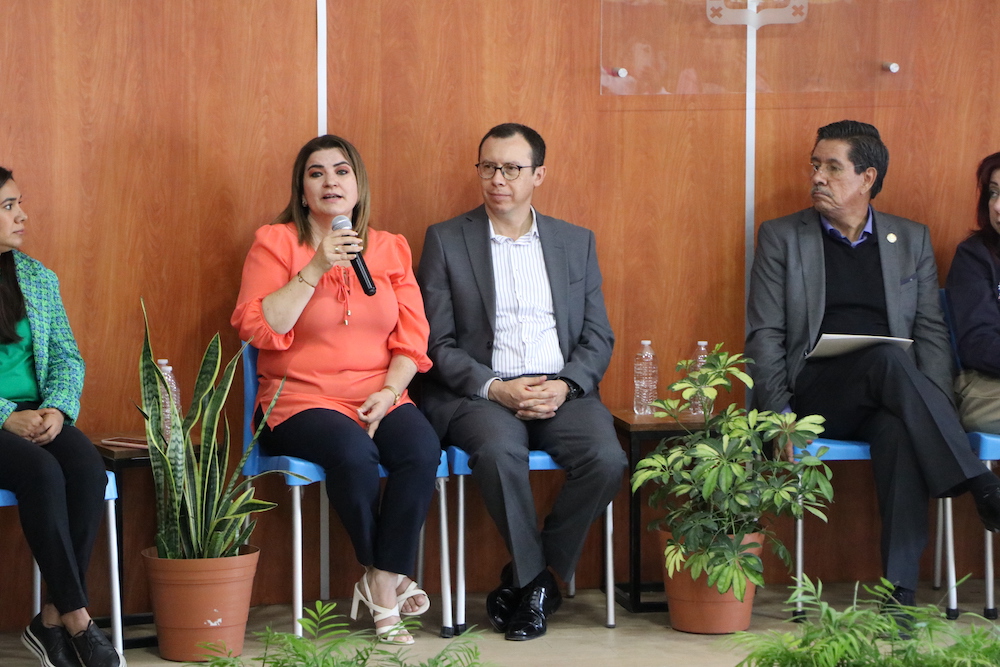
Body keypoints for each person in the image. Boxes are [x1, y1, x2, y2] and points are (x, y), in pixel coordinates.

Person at [745, 120, 1000, 606]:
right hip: (816, 393)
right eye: (815, 166)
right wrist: (780, 419)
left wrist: (937, 410)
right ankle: (981, 482)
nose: (817, 177)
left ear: (867, 177)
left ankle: (899, 594)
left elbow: (930, 334)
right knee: (886, 357)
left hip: (891, 393)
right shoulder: (782, 236)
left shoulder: (911, 239)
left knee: (899, 430)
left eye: (832, 167)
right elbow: (765, 335)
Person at [417, 123, 627, 641]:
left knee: (607, 459)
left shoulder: (575, 241)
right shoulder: (446, 239)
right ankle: (538, 587)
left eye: (512, 168)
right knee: (497, 453)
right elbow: (436, 342)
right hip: (483, 394)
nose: (498, 179)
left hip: (561, 390)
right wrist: (495, 387)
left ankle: (528, 575)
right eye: (488, 167)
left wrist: (567, 385)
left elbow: (598, 335)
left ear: (539, 174)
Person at [231, 135, 440, 645]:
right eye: (317, 173)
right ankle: (387, 585)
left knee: (421, 448)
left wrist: (390, 392)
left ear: (358, 185)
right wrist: (317, 265)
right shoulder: (275, 243)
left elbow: (412, 339)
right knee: (353, 452)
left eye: (342, 171)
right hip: (300, 398)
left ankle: (381, 577)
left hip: (379, 392)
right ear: (302, 192)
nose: (330, 182)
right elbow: (259, 327)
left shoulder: (389, 247)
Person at [0, 167, 124, 667]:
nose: (22, 215)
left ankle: (50, 617)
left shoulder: (37, 277)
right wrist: (5, 417)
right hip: (2, 423)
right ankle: (77, 618)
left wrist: (57, 408)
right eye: (8, 206)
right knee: (42, 473)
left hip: (37, 413)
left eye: (18, 203)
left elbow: (68, 357)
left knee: (88, 468)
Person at [946, 152, 1000, 433]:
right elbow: (978, 344)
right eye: (993, 193)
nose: (997, 206)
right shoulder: (974, 256)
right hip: (987, 383)